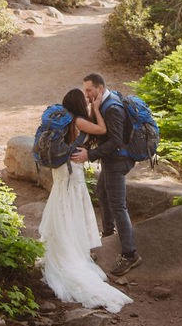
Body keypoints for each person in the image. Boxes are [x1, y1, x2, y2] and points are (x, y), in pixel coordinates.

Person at [39, 88, 131, 313]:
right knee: (73, 207)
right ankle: (73, 250)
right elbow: (102, 129)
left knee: (61, 203)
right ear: (80, 104)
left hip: (60, 169)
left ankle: (59, 245)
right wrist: (98, 108)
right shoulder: (78, 121)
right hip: (73, 171)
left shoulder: (65, 120)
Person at [72, 71, 141, 278]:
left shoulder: (112, 108)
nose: (86, 94)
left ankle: (130, 254)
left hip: (118, 161)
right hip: (112, 159)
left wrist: (90, 154)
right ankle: (109, 232)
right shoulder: (104, 103)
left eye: (89, 90)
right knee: (102, 191)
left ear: (100, 89)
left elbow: (115, 141)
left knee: (118, 205)